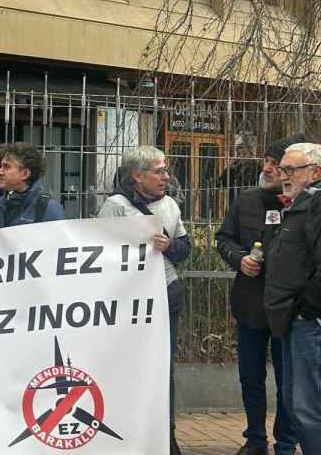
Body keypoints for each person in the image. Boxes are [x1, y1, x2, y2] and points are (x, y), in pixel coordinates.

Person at [96, 146, 190, 455]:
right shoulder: (116, 206)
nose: (166, 176)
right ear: (138, 176)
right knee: (127, 364)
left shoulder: (171, 205)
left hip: (165, 293)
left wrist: (170, 246)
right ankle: (126, 432)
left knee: (164, 367)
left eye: (165, 170)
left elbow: (184, 249)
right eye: (159, 171)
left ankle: (166, 435)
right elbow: (100, 252)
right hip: (128, 300)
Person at [215, 134, 305, 455]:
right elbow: (223, 239)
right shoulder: (245, 200)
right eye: (266, 161)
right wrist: (239, 258)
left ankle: (286, 443)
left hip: (289, 311)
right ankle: (255, 440)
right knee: (251, 378)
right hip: (250, 305)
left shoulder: (303, 204)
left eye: (275, 164)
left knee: (288, 383)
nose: (267, 168)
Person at [264, 142, 321, 455]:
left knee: (312, 409)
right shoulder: (304, 202)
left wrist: (307, 312)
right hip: (297, 321)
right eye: (282, 167)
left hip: (317, 322)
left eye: (291, 169)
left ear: (316, 172)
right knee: (299, 406)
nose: (282, 174)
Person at [0, 143, 64, 236]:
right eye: (1, 166)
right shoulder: (0, 204)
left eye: (6, 166)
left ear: (25, 174)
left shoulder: (48, 207)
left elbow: (58, 244)